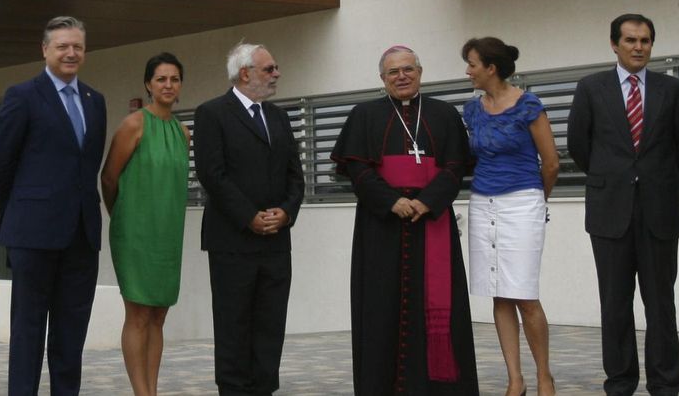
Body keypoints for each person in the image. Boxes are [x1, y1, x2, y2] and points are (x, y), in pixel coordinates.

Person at [330, 45, 478, 395]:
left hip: (432, 222)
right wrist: (390, 200)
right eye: (393, 72)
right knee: (380, 306)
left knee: (438, 305)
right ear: (382, 78)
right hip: (380, 225)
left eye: (408, 69)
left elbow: (457, 166)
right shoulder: (364, 114)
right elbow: (356, 167)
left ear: (420, 72)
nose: (402, 77)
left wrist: (428, 201)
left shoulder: (444, 114)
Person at [566, 14, 679, 396]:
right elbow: (579, 146)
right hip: (609, 212)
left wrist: (650, 175)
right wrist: (615, 176)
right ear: (614, 44)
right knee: (615, 304)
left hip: (659, 210)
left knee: (661, 304)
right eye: (631, 40)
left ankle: (665, 383)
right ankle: (620, 383)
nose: (639, 47)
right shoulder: (591, 88)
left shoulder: (671, 90)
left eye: (646, 41)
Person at [0, 16, 109, 396]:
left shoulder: (95, 100)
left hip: (81, 235)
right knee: (28, 330)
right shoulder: (22, 96)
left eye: (78, 47)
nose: (71, 53)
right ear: (45, 50)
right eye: (62, 46)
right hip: (33, 234)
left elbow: (87, 165)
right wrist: (22, 208)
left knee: (71, 332)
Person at [192, 42, 305, 396]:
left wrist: (286, 211)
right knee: (234, 324)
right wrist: (249, 217)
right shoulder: (212, 113)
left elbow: (295, 175)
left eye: (275, 68)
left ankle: (264, 389)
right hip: (233, 240)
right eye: (269, 69)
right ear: (245, 74)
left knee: (270, 324)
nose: (277, 74)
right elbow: (212, 174)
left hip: (276, 240)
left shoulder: (279, 116)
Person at [461, 36, 560, 396]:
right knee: (499, 294)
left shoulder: (528, 105)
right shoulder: (471, 110)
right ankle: (514, 379)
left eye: (472, 64)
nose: (468, 71)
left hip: (523, 201)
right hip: (482, 203)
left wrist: (537, 200)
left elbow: (550, 163)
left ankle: (544, 376)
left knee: (524, 294)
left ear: (491, 67)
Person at [101, 52, 192, 396]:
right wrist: (124, 218)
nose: (168, 85)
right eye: (161, 79)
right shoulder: (134, 124)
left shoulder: (183, 132)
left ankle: (151, 390)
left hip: (167, 236)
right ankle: (141, 392)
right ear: (148, 85)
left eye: (174, 79)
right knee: (138, 315)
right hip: (135, 235)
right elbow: (108, 179)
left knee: (158, 317)